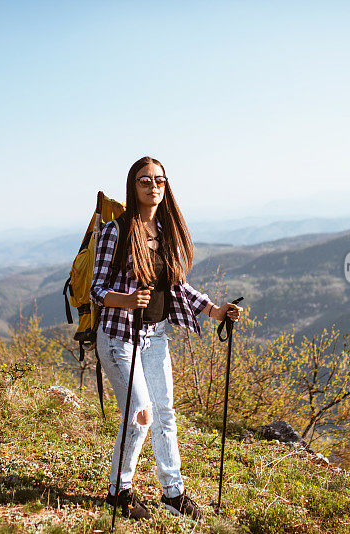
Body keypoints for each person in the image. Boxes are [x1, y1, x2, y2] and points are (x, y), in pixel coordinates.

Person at [90, 155, 243, 520]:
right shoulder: (116, 230)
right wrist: (127, 300)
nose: (153, 186)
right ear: (134, 185)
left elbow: (177, 286)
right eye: (145, 180)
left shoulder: (166, 231)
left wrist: (215, 310)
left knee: (164, 414)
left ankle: (173, 493)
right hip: (118, 337)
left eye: (159, 180)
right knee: (139, 415)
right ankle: (119, 491)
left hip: (155, 337)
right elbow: (96, 289)